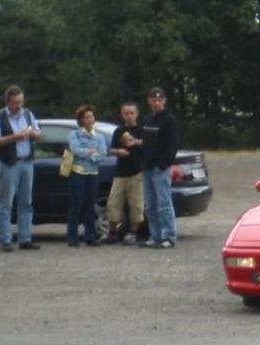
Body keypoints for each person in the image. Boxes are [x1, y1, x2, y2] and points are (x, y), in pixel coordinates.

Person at [0, 85, 43, 252]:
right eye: (15, 103)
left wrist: (32, 134)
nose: (19, 106)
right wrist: (15, 137)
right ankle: (6, 240)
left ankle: (25, 238)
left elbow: (39, 135)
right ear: (8, 102)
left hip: (27, 163)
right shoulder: (0, 117)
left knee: (26, 202)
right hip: (9, 163)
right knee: (6, 203)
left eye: (21, 102)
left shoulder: (28, 114)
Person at [140, 87, 178, 248]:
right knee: (150, 205)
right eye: (153, 100)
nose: (156, 103)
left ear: (164, 101)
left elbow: (172, 146)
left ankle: (168, 236)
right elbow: (144, 143)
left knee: (164, 203)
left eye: (159, 100)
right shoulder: (147, 120)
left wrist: (163, 164)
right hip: (147, 167)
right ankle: (154, 236)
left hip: (160, 168)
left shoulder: (169, 120)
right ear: (149, 101)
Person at [66, 105, 108, 247]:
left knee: (90, 206)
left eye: (92, 116)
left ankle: (90, 236)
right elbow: (75, 149)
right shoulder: (75, 134)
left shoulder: (100, 136)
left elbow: (102, 154)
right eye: (87, 117)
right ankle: (72, 237)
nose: (90, 119)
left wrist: (91, 156)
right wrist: (90, 151)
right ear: (81, 120)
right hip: (78, 173)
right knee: (77, 204)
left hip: (93, 173)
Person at [105, 102, 144, 245]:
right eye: (126, 113)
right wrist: (118, 152)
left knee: (136, 205)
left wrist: (136, 143)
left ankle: (132, 233)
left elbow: (148, 145)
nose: (129, 115)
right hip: (120, 173)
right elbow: (111, 149)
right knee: (113, 203)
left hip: (137, 173)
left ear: (136, 114)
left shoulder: (141, 130)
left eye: (131, 113)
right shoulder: (118, 131)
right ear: (122, 114)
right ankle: (113, 232)